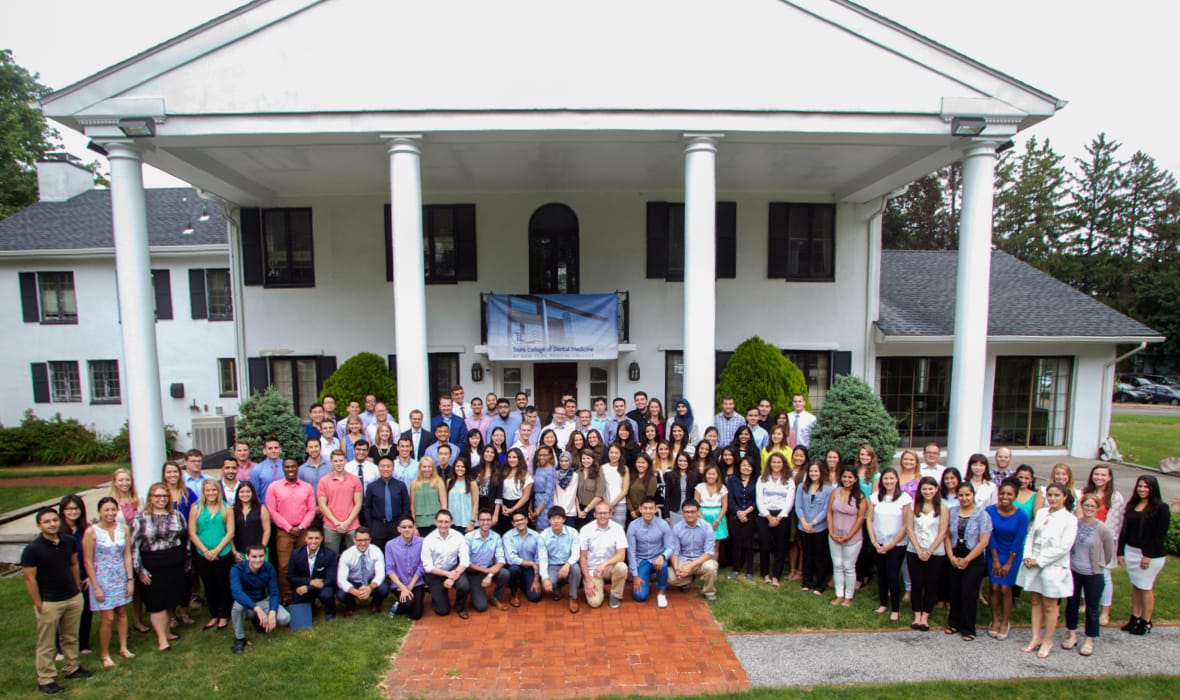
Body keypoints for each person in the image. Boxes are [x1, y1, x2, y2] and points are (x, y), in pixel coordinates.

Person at [23, 507, 93, 694]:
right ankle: (45, 678)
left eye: (54, 520)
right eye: (47, 521)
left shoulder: (68, 541)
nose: (52, 524)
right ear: (39, 525)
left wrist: (77, 585)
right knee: (46, 643)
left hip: (72, 597)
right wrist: (39, 603)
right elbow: (30, 579)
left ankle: (72, 668)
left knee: (71, 637)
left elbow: (73, 563)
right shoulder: (32, 550)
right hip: (49, 601)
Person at [1016, 482, 1078, 658]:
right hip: (1032, 561)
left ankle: (1048, 640)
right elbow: (1031, 535)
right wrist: (1027, 555)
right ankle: (1035, 637)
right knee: (1035, 600)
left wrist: (1039, 560)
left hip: (1052, 566)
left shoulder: (1069, 519)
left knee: (1050, 605)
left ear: (1065, 497)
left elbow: (1063, 547)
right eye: (1050, 495)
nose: (1052, 498)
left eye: (1057, 495)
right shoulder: (1042, 513)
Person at [131, 482, 189, 652]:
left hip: (174, 562)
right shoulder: (141, 519)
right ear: (150, 498)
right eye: (157, 496)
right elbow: (134, 546)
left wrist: (187, 560)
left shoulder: (176, 515)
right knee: (156, 602)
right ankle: (162, 639)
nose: (161, 499)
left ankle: (168, 631)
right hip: (152, 564)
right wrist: (139, 570)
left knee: (169, 598)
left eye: (164, 496)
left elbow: (184, 539)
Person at [82, 497, 134, 668]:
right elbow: (88, 561)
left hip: (120, 575)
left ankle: (123, 647)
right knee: (108, 617)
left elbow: (127, 555)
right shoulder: (92, 532)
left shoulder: (123, 529)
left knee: (122, 613)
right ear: (100, 512)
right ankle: (105, 654)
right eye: (106, 510)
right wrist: (95, 587)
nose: (110, 513)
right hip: (101, 578)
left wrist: (129, 579)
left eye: (113, 509)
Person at [1118, 475, 1170, 636]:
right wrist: (1121, 551)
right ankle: (1135, 617)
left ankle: (1146, 621)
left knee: (1145, 587)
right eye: (1140, 486)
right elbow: (1124, 529)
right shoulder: (1133, 505)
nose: (1142, 489)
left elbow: (1160, 534)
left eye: (1146, 487)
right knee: (1136, 586)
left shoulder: (1161, 507)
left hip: (1149, 554)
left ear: (1153, 489)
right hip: (1131, 551)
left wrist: (1148, 554)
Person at [1064, 494, 1116, 656]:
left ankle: (1089, 639)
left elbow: (1108, 552)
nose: (1089, 509)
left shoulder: (1103, 529)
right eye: (1086, 505)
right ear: (1082, 506)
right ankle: (1072, 634)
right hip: (1074, 571)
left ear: (1097, 508)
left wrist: (1099, 565)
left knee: (1092, 608)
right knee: (1072, 604)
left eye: (1093, 506)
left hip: (1093, 573)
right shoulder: (1075, 524)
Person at [945, 482, 992, 641]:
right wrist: (951, 556)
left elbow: (983, 541)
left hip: (973, 557)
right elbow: (947, 536)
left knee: (968, 592)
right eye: (961, 495)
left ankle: (968, 627)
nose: (964, 498)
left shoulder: (982, 515)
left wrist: (967, 559)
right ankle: (954, 622)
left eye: (967, 495)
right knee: (955, 590)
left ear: (973, 495)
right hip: (955, 555)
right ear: (957, 496)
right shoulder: (952, 512)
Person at [266, 458, 317, 602]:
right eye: (287, 467)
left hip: (303, 530)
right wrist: (288, 527)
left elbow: (311, 509)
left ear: (297, 468)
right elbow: (272, 510)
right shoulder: (274, 487)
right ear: (283, 469)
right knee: (284, 566)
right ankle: (286, 596)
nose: (290, 469)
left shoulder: (306, 487)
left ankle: (303, 594)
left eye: (293, 466)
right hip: (284, 531)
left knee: (304, 564)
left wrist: (301, 527)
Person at [1080, 464, 1125, 625]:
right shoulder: (1086, 492)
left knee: (1104, 575)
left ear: (1109, 477)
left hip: (1103, 540)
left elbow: (1115, 522)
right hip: (1084, 539)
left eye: (1103, 475)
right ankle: (1086, 603)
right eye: (1096, 474)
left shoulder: (1115, 497)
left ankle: (1105, 611)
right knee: (1085, 572)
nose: (1099, 478)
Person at [985, 479, 1029, 640]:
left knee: (1005, 589)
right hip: (994, 551)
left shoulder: (1021, 515)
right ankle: (995, 619)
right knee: (995, 586)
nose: (1005, 497)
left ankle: (1005, 621)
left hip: (1013, 554)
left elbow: (1018, 540)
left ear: (1015, 496)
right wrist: (995, 559)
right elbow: (990, 535)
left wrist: (1009, 563)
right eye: (1002, 493)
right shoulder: (990, 511)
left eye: (1009, 494)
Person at [189, 480, 235, 631]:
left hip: (222, 552)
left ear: (218, 491)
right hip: (203, 554)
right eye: (207, 490)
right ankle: (214, 614)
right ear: (203, 492)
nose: (211, 493)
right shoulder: (196, 508)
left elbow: (230, 532)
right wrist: (205, 551)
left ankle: (224, 615)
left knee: (223, 584)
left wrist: (216, 550)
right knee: (208, 585)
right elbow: (192, 532)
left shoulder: (226, 508)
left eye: (213, 490)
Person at [867, 468, 912, 621]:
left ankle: (895, 609)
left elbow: (906, 525)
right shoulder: (874, 498)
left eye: (892, 478)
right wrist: (874, 541)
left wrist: (892, 544)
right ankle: (883, 604)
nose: (888, 481)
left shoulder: (904, 499)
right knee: (882, 574)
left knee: (893, 575)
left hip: (896, 545)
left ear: (897, 480)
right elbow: (870, 520)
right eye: (886, 478)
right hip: (878, 543)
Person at [229, 545, 290, 653]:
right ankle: (239, 638)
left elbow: (274, 592)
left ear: (264, 556)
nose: (258, 560)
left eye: (261, 556)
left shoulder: (269, 567)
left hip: (262, 600)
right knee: (237, 608)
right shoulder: (236, 569)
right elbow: (237, 593)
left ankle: (258, 620)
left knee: (285, 618)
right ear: (247, 557)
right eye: (254, 556)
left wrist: (272, 612)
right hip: (246, 602)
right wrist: (256, 608)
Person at [905, 476, 947, 632]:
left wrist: (929, 551)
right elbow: (909, 528)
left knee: (930, 584)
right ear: (920, 491)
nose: (927, 491)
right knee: (916, 583)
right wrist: (918, 549)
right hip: (914, 551)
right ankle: (917, 614)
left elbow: (942, 532)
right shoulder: (913, 506)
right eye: (924, 489)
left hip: (935, 553)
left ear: (936, 489)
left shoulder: (942, 508)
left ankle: (925, 616)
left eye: (930, 488)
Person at [56, 496, 92, 657]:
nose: (73, 512)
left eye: (76, 508)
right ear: (63, 511)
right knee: (64, 614)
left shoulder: (86, 530)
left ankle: (83, 643)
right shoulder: (57, 532)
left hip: (86, 577)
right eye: (69, 509)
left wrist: (89, 577)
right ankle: (60, 648)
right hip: (65, 579)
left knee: (85, 612)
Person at [827, 466, 867, 607]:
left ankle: (848, 596)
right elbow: (830, 513)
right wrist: (831, 532)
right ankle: (839, 594)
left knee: (849, 566)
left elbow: (860, 518)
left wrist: (849, 536)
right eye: (844, 476)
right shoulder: (835, 492)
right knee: (837, 565)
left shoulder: (860, 496)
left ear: (855, 479)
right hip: (834, 536)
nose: (847, 479)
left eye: (850, 477)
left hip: (853, 538)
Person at [420, 510, 471, 617]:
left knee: (464, 585)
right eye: (440, 522)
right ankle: (435, 592)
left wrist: (452, 577)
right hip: (435, 573)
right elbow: (428, 567)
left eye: (446, 522)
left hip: (453, 570)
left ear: (451, 522)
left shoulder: (458, 536)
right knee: (442, 611)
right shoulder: (428, 540)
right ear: (435, 522)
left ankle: (460, 606)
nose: (443, 525)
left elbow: (465, 561)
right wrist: (447, 575)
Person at [579, 502, 629, 609]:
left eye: (605, 513)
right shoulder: (586, 530)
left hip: (609, 568)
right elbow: (582, 557)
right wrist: (588, 580)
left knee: (622, 567)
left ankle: (615, 594)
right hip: (593, 570)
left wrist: (604, 564)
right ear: (594, 514)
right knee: (595, 603)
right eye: (599, 513)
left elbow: (621, 555)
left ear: (610, 514)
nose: (602, 516)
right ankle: (597, 586)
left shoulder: (618, 529)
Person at [626, 497, 674, 607]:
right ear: (640, 509)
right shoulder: (633, 526)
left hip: (658, 559)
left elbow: (670, 546)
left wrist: (662, 556)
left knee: (663, 564)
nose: (648, 511)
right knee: (640, 597)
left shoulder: (663, 524)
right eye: (645, 508)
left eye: (651, 508)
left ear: (655, 509)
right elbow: (631, 551)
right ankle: (645, 577)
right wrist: (635, 575)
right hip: (641, 560)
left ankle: (661, 592)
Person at [667, 499, 719, 601]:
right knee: (669, 578)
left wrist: (690, 566)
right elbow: (675, 552)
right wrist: (677, 569)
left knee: (711, 567)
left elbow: (709, 553)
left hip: (701, 561)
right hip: (684, 560)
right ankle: (688, 580)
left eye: (692, 512)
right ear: (683, 513)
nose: (689, 515)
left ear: (698, 512)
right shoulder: (677, 528)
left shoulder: (706, 527)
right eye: (686, 512)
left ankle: (709, 591)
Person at [757, 453, 795, 587]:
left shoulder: (789, 480)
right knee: (765, 546)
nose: (776, 465)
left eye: (779, 462)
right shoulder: (762, 478)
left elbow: (789, 500)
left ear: (783, 463)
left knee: (780, 546)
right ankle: (765, 573)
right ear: (769, 464)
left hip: (782, 516)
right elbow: (759, 499)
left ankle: (776, 576)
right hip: (765, 516)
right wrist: (768, 516)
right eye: (774, 462)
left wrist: (778, 517)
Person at [462, 509, 510, 614]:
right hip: (473, 572)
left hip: (489, 569)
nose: (485, 522)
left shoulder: (496, 537)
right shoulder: (469, 537)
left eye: (488, 519)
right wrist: (485, 571)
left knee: (505, 573)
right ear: (478, 521)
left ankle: (495, 597)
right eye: (482, 520)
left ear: (492, 521)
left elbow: (501, 560)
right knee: (481, 607)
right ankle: (474, 591)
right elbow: (466, 562)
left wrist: (489, 575)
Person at [795, 461, 832, 594]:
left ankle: (820, 585)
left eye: (816, 471)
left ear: (821, 472)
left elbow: (825, 509)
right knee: (807, 555)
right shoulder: (802, 487)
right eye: (811, 471)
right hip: (803, 527)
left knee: (820, 557)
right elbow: (798, 506)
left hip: (819, 528)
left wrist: (813, 523)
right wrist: (804, 523)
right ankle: (807, 582)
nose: (813, 473)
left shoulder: (828, 489)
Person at [317, 449, 363, 553]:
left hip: (352, 524)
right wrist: (336, 522)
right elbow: (322, 504)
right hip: (331, 525)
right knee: (330, 556)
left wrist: (347, 522)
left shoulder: (355, 480)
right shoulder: (324, 481)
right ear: (331, 462)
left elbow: (358, 503)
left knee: (355, 554)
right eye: (336, 461)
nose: (339, 463)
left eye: (341, 460)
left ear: (345, 461)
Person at [335, 527, 389, 616]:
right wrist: (354, 592)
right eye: (359, 540)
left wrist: (370, 588)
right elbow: (341, 580)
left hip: (370, 581)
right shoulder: (347, 554)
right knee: (341, 594)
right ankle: (350, 605)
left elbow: (380, 574)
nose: (363, 543)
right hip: (354, 582)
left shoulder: (376, 551)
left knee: (384, 588)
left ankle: (375, 604)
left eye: (366, 540)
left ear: (370, 540)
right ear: (354, 540)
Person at [287, 527, 338, 620]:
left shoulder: (330, 554)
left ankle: (330, 613)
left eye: (317, 538)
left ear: (321, 539)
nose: (313, 541)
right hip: (304, 586)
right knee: (301, 619)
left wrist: (310, 587)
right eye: (310, 538)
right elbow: (291, 577)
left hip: (323, 586)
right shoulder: (295, 554)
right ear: (305, 539)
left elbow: (332, 578)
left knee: (327, 595)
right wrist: (309, 582)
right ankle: (310, 606)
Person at [538, 507, 582, 613]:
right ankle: (556, 586)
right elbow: (542, 559)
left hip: (568, 563)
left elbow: (576, 553)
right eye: (553, 518)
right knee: (548, 583)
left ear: (564, 519)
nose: (556, 521)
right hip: (552, 565)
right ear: (549, 520)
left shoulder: (573, 532)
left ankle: (573, 597)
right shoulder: (543, 536)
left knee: (576, 569)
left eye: (559, 518)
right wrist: (545, 578)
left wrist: (567, 565)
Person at [364, 456, 411, 549]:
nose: (385, 469)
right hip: (378, 526)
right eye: (383, 466)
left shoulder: (400, 485)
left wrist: (402, 524)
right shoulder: (371, 487)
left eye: (388, 466)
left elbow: (406, 506)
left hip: (396, 525)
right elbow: (367, 508)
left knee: (397, 552)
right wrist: (371, 526)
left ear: (393, 468)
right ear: (378, 467)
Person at [384, 517, 426, 620]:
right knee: (408, 603)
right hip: (399, 584)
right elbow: (390, 568)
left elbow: (422, 566)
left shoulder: (422, 542)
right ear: (399, 529)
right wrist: (403, 588)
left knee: (416, 615)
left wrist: (410, 586)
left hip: (416, 583)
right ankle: (399, 605)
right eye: (404, 527)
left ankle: (402, 603)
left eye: (410, 527)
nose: (407, 529)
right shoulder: (390, 545)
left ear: (414, 528)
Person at [725, 458, 758, 581]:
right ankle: (736, 569)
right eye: (744, 465)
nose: (746, 468)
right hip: (735, 516)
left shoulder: (757, 481)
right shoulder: (733, 480)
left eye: (749, 466)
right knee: (736, 543)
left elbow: (757, 500)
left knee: (749, 544)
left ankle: (749, 570)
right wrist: (738, 512)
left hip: (750, 516)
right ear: (739, 466)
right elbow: (730, 499)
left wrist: (746, 512)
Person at [503, 511, 543, 605]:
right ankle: (514, 593)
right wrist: (532, 563)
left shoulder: (536, 536)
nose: (520, 522)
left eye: (522, 519)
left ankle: (523, 583)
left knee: (534, 597)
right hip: (516, 567)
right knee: (513, 569)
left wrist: (536, 580)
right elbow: (511, 559)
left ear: (526, 520)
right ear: (513, 523)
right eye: (516, 521)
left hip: (530, 569)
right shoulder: (507, 536)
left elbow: (539, 558)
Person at [694, 464, 729, 559]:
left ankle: (713, 568)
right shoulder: (699, 487)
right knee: (702, 545)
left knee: (715, 546)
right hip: (702, 517)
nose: (711, 476)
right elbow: (696, 506)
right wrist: (703, 521)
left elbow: (725, 506)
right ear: (705, 475)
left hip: (718, 518)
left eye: (714, 474)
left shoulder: (722, 488)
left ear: (718, 475)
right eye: (709, 474)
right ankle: (701, 568)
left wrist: (717, 521)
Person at [232, 481, 271, 563]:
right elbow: (229, 532)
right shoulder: (233, 510)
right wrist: (234, 551)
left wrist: (262, 548)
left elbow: (267, 530)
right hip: (240, 551)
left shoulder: (261, 508)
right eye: (242, 492)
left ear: (252, 493)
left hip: (259, 552)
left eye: (248, 491)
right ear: (237, 494)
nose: (245, 494)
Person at [498, 449, 533, 534]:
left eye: (514, 457)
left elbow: (526, 496)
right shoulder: (502, 473)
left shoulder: (525, 475)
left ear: (519, 459)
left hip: (519, 507)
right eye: (509, 457)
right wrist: (502, 505)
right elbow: (498, 492)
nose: (511, 459)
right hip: (503, 507)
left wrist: (512, 509)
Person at [411, 456, 447, 537]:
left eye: (429, 467)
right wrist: (414, 525)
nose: (426, 469)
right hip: (420, 523)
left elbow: (443, 504)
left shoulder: (439, 482)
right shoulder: (414, 483)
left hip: (435, 522)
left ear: (433, 468)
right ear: (420, 468)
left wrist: (442, 522)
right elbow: (412, 506)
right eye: (424, 467)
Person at [574, 448, 607, 531]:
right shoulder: (578, 472)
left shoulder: (598, 472)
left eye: (588, 458)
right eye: (583, 458)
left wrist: (586, 510)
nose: (586, 461)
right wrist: (579, 510)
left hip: (592, 510)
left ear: (593, 459)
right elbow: (574, 493)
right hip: (578, 510)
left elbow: (599, 495)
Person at [444, 457, 478, 534]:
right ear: (454, 468)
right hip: (452, 522)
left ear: (466, 468)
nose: (460, 469)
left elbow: (475, 504)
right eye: (458, 466)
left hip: (467, 523)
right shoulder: (449, 482)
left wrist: (472, 522)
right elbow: (446, 502)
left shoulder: (472, 483)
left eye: (463, 466)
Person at [626, 453, 664, 522]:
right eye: (638, 462)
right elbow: (627, 494)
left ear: (648, 464)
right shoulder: (631, 476)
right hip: (630, 513)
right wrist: (631, 510)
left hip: (645, 512)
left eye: (643, 463)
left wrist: (637, 511)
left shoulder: (652, 478)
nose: (640, 465)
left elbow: (649, 497)